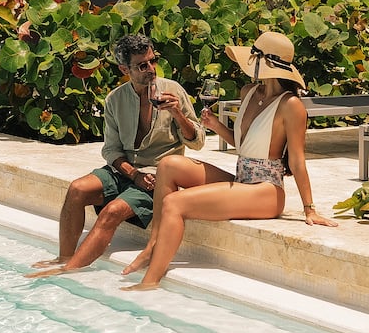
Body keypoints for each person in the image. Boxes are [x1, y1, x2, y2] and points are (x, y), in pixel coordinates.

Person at [123, 29, 335, 290]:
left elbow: (298, 161)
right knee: (168, 165)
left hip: (266, 190)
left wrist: (309, 209)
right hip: (242, 178)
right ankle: (152, 247)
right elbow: (244, 144)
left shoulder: (291, 105)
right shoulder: (249, 91)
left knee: (175, 203)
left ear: (263, 64)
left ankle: (150, 280)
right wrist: (214, 125)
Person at [27, 32, 202, 277]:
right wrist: (133, 174)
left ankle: (69, 270)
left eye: (153, 61)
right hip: (126, 170)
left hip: (156, 176)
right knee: (77, 189)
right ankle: (64, 256)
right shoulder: (116, 99)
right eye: (142, 65)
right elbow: (111, 150)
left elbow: (197, 142)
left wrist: (178, 114)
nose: (151, 69)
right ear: (124, 68)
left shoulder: (173, 91)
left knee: (111, 212)